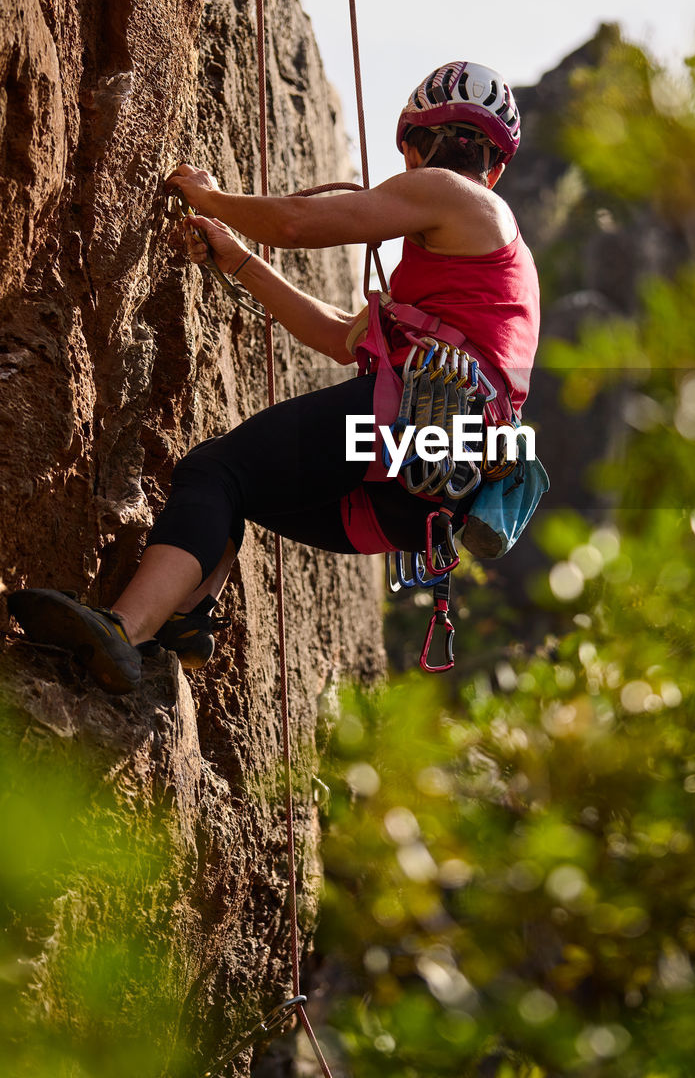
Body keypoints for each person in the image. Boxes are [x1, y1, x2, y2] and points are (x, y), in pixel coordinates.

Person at [9, 62, 540, 693]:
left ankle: (125, 630)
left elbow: (295, 224)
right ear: (498, 161)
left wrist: (208, 198)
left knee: (217, 472)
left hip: (409, 429)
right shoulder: (491, 270)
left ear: (417, 143)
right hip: (429, 496)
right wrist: (239, 261)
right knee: (242, 487)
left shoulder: (454, 194)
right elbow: (340, 336)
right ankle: (183, 623)